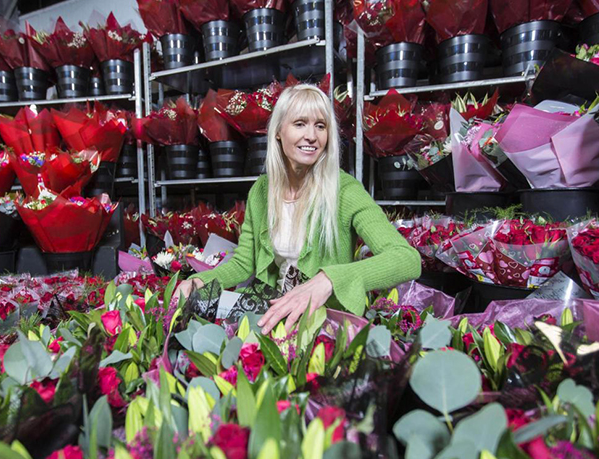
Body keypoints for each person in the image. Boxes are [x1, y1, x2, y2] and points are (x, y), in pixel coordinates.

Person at [176, 83, 421, 333]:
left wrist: (329, 279)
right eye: (300, 123)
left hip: (324, 322)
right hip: (272, 309)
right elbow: (243, 263)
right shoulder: (261, 191)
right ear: (279, 131)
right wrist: (198, 280)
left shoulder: (345, 191)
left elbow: (407, 260)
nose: (312, 136)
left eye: (321, 126)